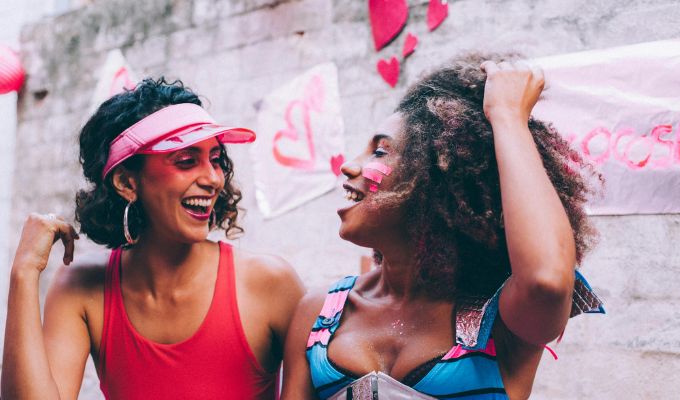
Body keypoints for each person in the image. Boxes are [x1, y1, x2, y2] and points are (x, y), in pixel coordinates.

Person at [280, 53, 604, 400]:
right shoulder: (319, 311)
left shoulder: (501, 322)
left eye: (380, 151)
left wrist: (508, 117)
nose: (348, 166)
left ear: (434, 179)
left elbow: (547, 280)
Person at [2, 78, 305, 399]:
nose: (213, 178)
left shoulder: (271, 284)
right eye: (187, 161)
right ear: (126, 183)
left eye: (215, 160)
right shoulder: (80, 287)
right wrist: (23, 273)